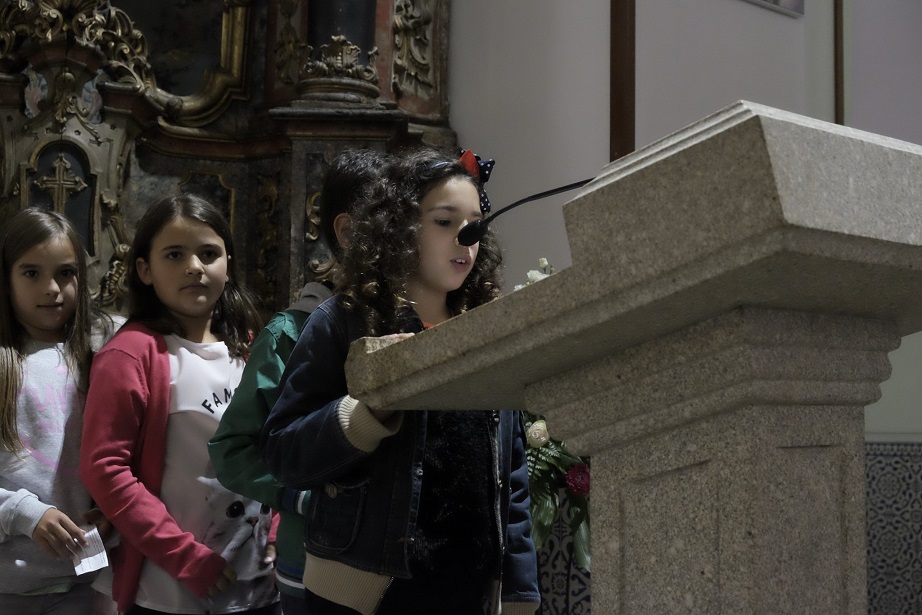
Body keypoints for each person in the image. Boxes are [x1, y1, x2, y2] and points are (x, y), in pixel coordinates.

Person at [261, 148, 540, 615]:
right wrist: (366, 412)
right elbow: (283, 452)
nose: (467, 238)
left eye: (476, 224)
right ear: (397, 227)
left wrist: (518, 594)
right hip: (366, 595)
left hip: (466, 591)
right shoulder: (342, 322)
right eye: (445, 221)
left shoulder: (489, 332)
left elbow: (511, 479)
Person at [208, 149, 389, 615]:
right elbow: (234, 449)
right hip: (310, 558)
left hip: (390, 561)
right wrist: (300, 496)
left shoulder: (412, 323)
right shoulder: (291, 333)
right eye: (394, 219)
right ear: (347, 231)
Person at [78, 195, 277, 615]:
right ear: (144, 270)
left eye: (209, 253)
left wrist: (279, 530)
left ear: (228, 264)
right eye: (174, 254)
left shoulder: (250, 345)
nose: (194, 266)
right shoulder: (131, 355)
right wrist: (185, 558)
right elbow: (105, 469)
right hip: (171, 588)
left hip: (260, 583)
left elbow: (273, 446)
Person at [0, 209, 119, 614]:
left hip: (88, 583)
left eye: (65, 273)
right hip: (9, 585)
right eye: (31, 273)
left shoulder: (105, 352)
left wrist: (114, 512)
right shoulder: (6, 362)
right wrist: (25, 514)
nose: (51, 288)